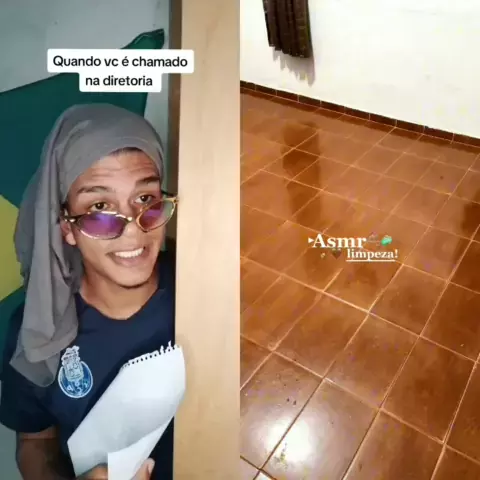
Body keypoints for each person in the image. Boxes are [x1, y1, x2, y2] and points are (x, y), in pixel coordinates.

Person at [0, 104, 178, 479]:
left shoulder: (199, 286)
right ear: (67, 226)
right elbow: (34, 442)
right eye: (100, 207)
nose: (133, 230)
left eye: (145, 200)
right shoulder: (37, 325)